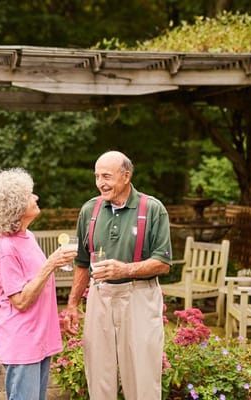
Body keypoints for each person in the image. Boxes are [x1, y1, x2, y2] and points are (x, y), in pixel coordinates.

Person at [63, 151, 172, 400]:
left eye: (107, 176)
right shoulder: (89, 210)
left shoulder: (153, 209)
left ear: (126, 176)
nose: (101, 182)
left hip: (139, 296)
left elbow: (163, 263)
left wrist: (126, 269)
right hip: (99, 295)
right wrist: (72, 305)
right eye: (97, 176)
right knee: (98, 372)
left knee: (142, 375)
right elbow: (81, 263)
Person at [0, 168, 77, 400]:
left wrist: (56, 321)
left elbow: (38, 288)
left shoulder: (27, 237)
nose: (36, 198)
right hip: (22, 342)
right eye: (30, 195)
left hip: (39, 337)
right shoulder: (5, 248)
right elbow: (21, 301)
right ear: (15, 206)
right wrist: (51, 263)